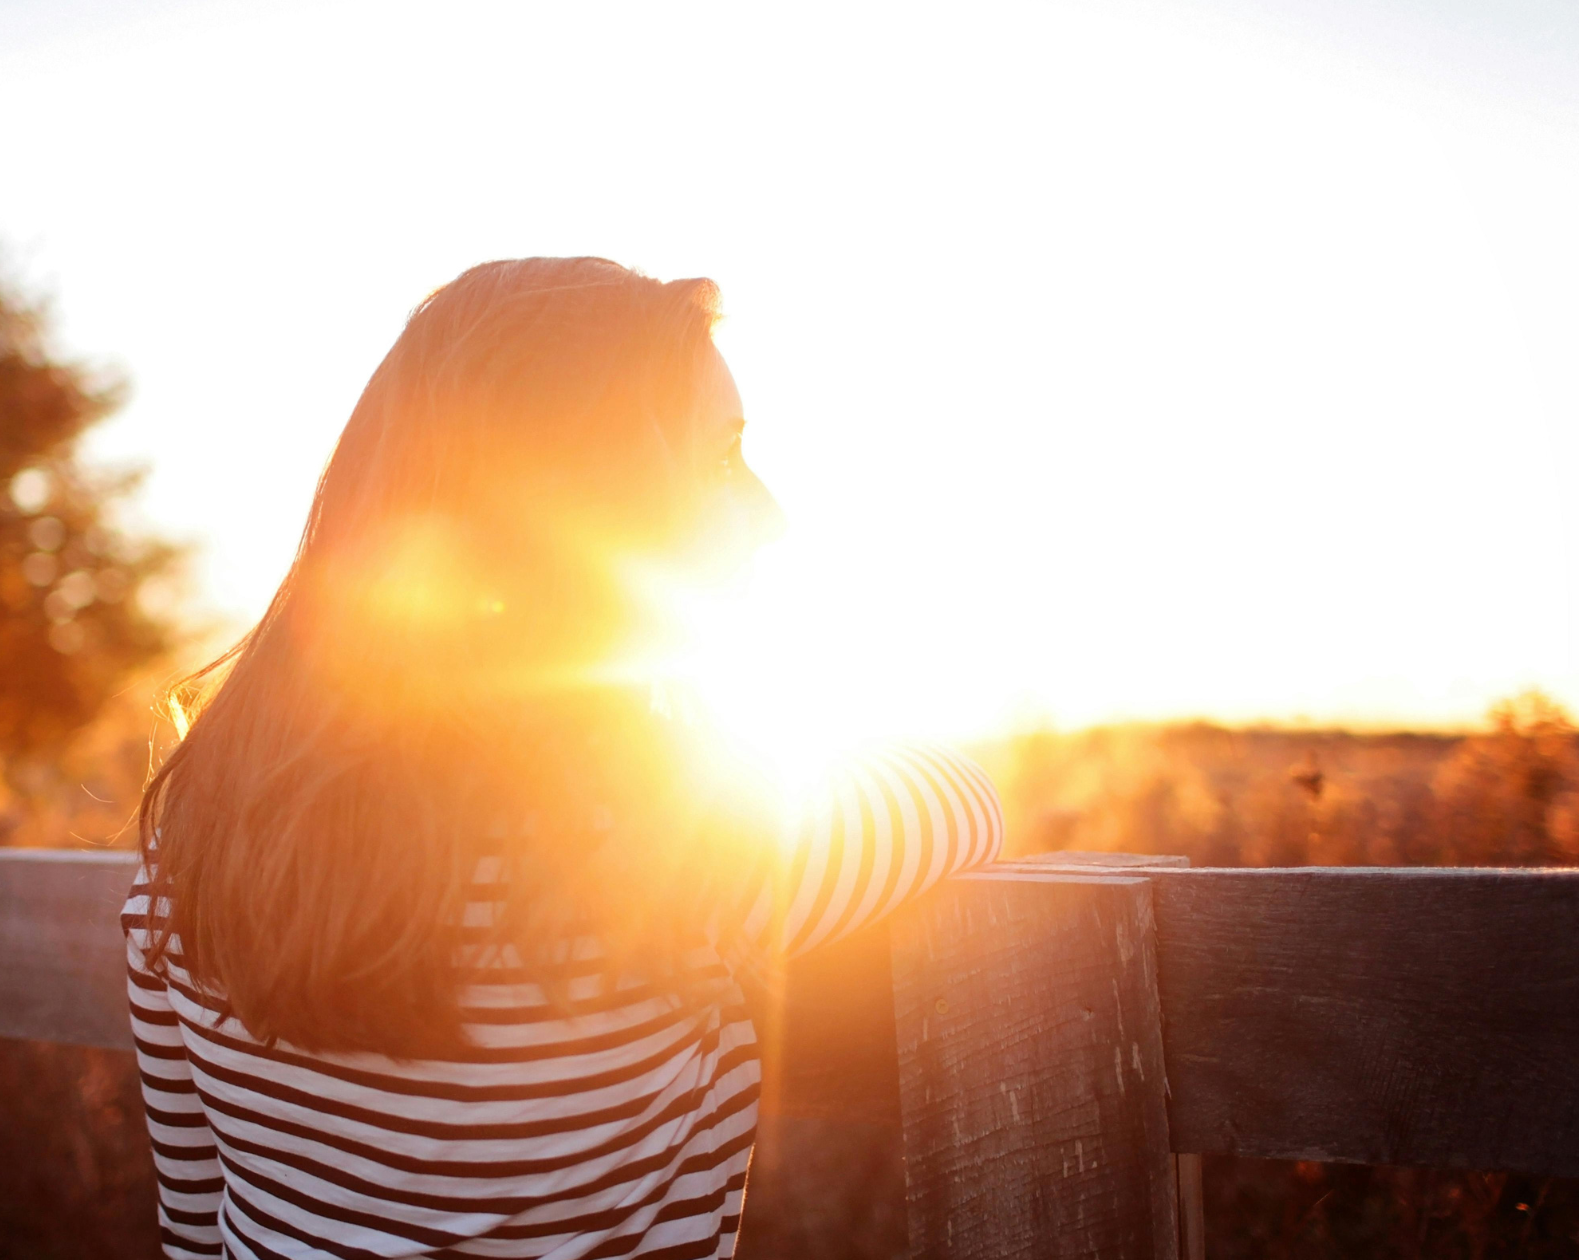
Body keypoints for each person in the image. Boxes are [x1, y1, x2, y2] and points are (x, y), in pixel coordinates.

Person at [124, 257, 1002, 1259]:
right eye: (720, 459)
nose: (769, 513)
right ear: (585, 505)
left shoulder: (188, 842)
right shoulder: (663, 842)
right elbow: (963, 799)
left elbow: (195, 1225)